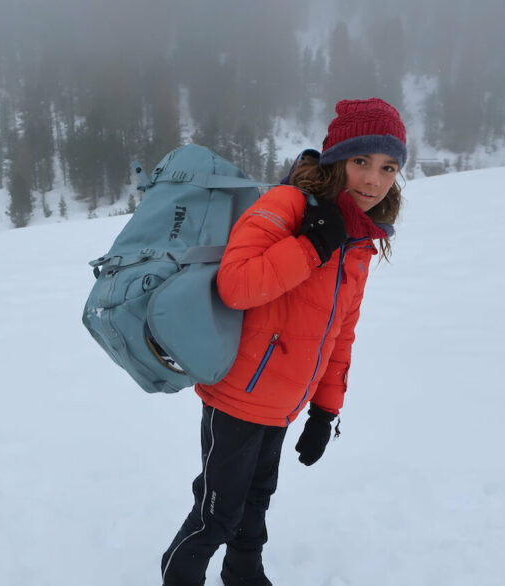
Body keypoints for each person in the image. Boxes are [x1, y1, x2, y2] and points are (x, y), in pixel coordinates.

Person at [160, 97, 407, 586]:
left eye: (388, 167)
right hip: (237, 396)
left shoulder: (360, 241)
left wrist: (325, 410)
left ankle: (245, 574)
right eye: (361, 161)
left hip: (284, 403)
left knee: (256, 500)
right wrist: (312, 245)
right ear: (336, 158)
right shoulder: (288, 205)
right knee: (216, 512)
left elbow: (341, 331)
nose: (373, 180)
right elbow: (237, 284)